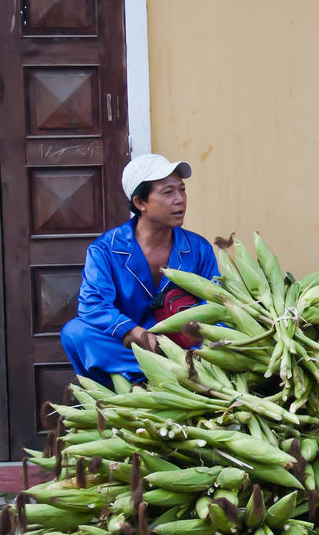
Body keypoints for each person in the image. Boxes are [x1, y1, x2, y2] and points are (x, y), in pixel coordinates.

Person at [61, 154, 219, 385]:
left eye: (182, 190)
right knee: (75, 333)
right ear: (140, 203)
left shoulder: (198, 248)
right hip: (132, 348)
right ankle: (160, 374)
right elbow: (92, 305)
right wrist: (136, 334)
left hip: (186, 347)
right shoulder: (105, 250)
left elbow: (216, 303)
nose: (180, 200)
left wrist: (207, 346)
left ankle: (175, 370)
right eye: (168, 192)